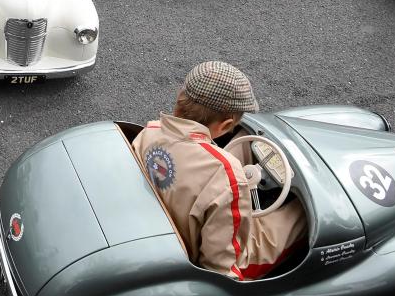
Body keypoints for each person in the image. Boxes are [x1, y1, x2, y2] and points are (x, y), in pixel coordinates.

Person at [131, 61, 307, 281]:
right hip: (204, 256)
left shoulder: (150, 132)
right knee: (300, 213)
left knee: (243, 139)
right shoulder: (228, 175)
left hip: (164, 220)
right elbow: (220, 266)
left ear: (180, 97)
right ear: (225, 126)